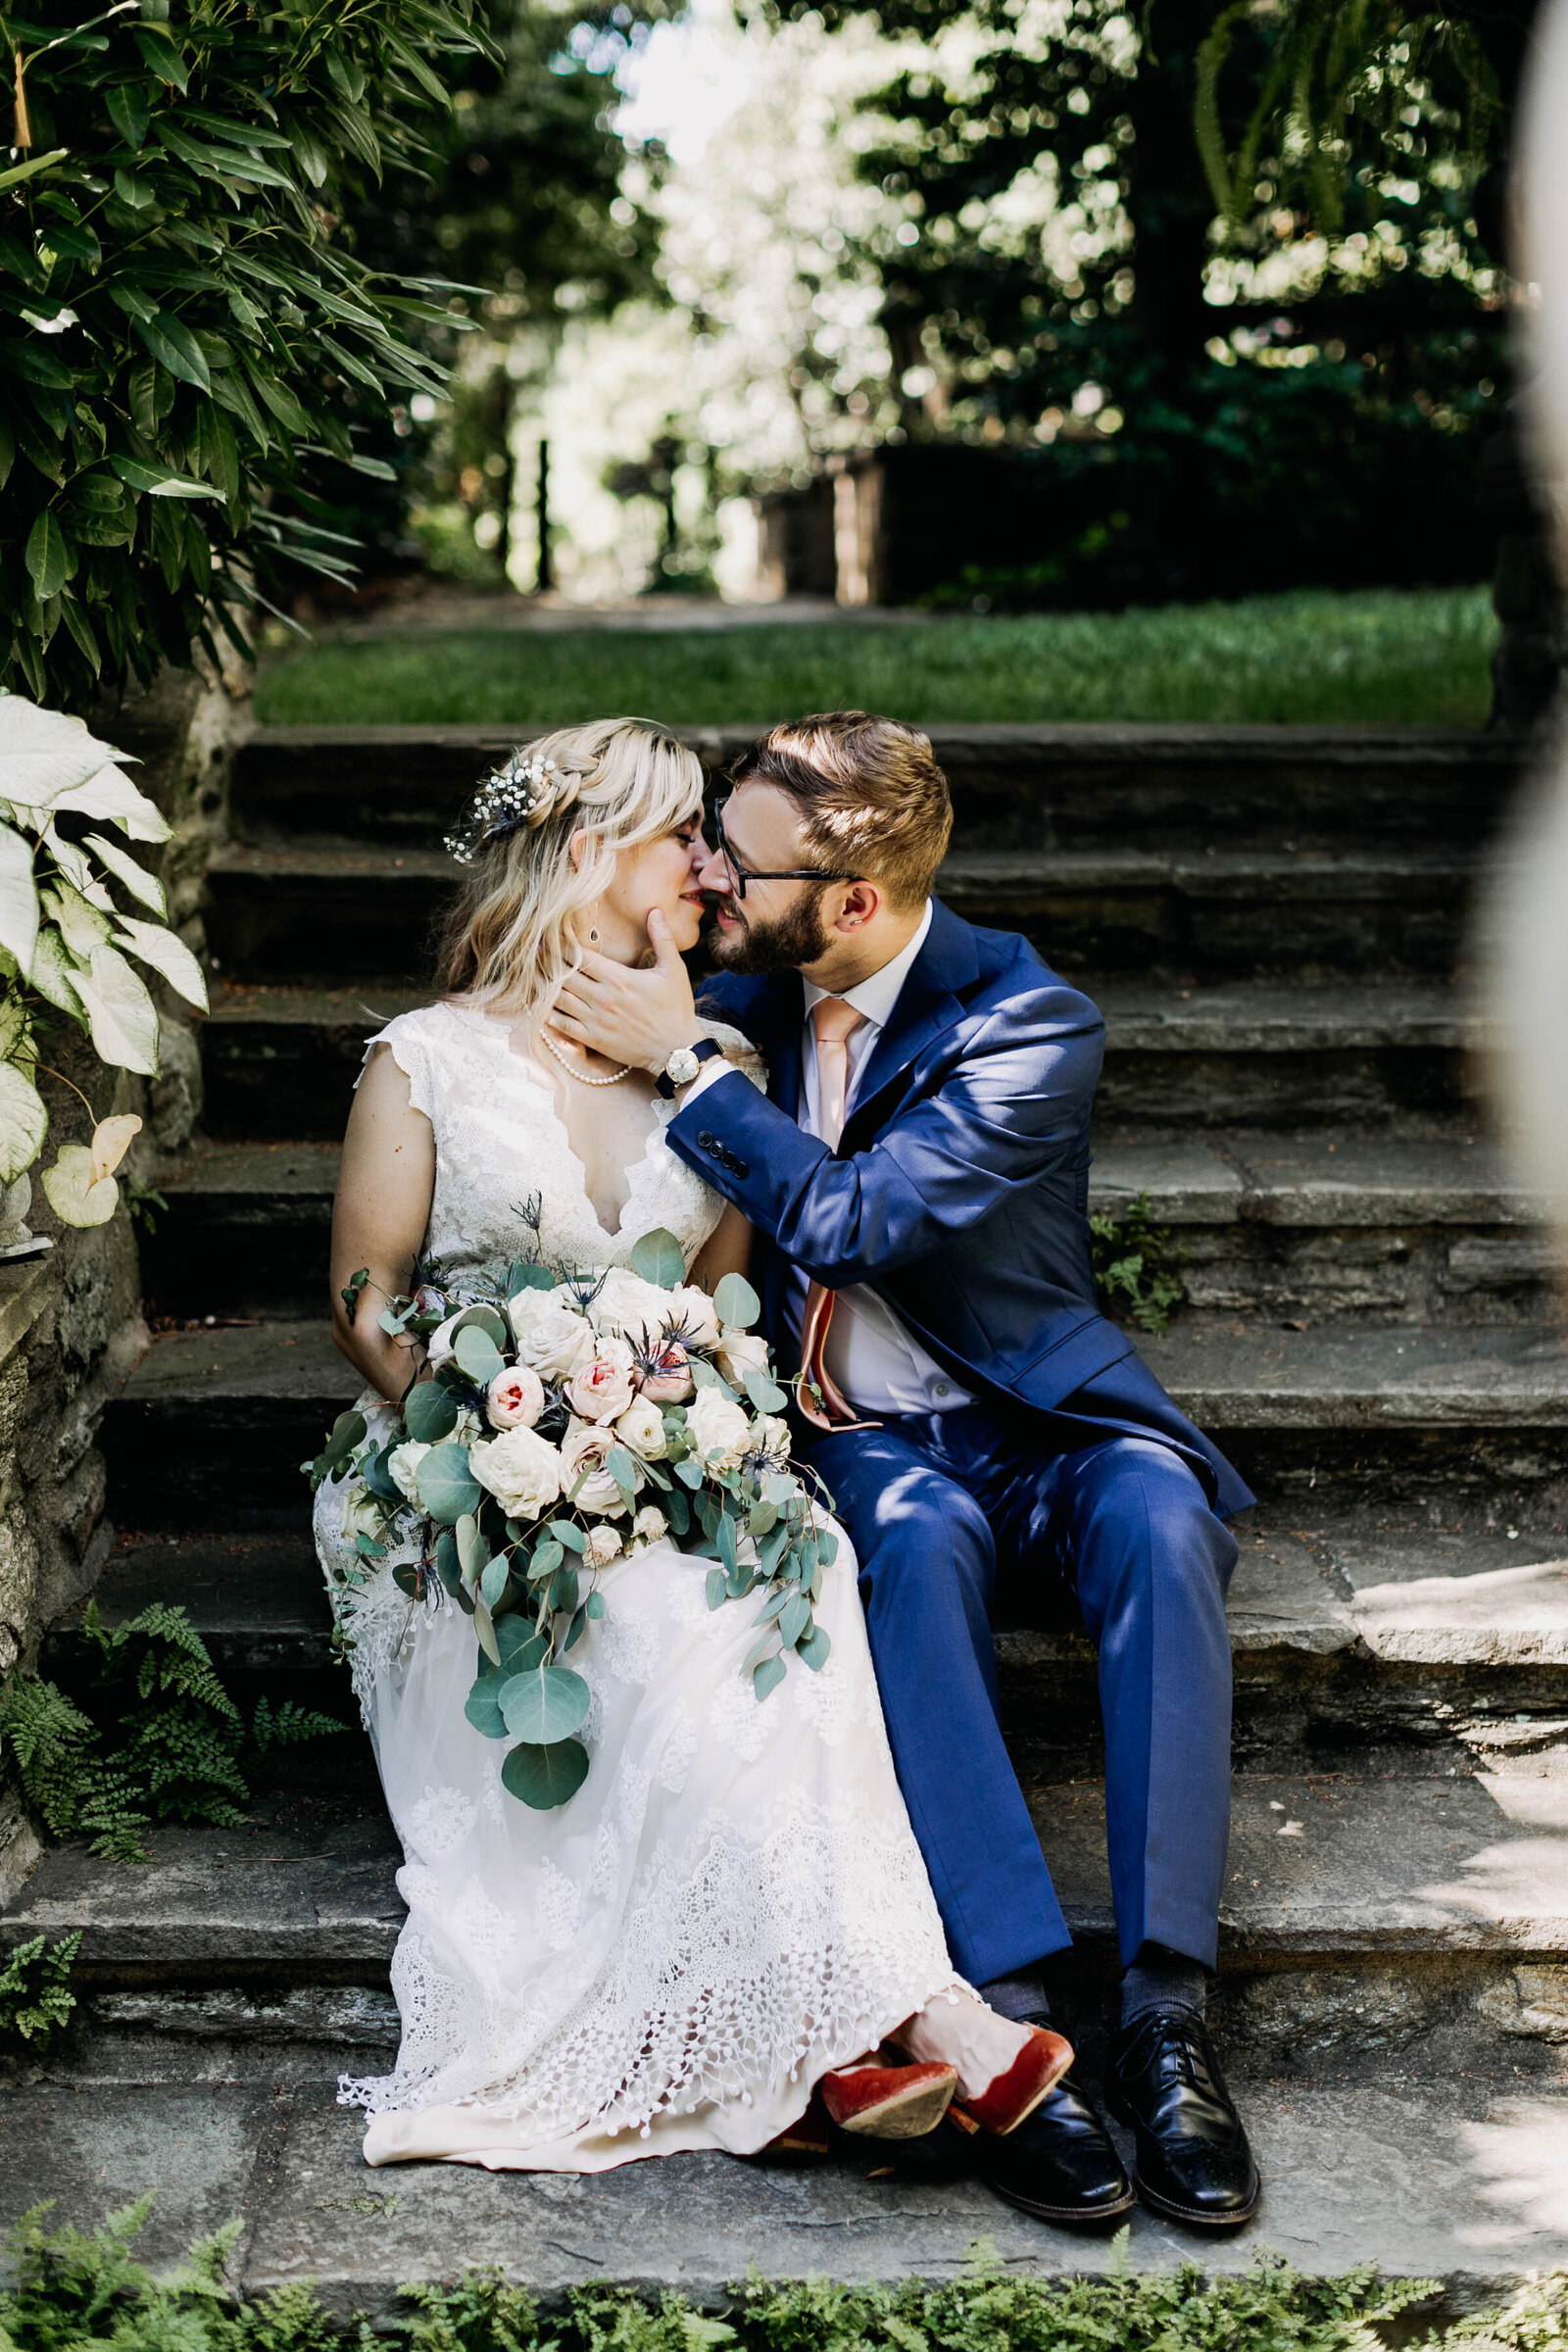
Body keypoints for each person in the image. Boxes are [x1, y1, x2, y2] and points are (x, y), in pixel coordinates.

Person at [315, 715, 1069, 2174]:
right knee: (662, 1612)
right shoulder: (430, 1060)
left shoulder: (717, 1059)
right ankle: (910, 2020)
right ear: (593, 856)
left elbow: (726, 1301)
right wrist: (496, 1415)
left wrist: (663, 1428)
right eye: (682, 839)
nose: (708, 871)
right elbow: (364, 1301)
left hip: (658, 1454)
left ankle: (835, 2037)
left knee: (799, 1584)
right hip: (457, 1477)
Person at [550, 710, 1262, 2229]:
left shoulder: (1030, 1024)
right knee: (913, 1534)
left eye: (737, 862)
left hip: (1037, 1426)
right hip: (868, 1439)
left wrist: (684, 1060)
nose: (709, 881)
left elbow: (861, 1223)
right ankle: (1009, 2008)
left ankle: (1166, 2017)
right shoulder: (740, 971)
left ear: (853, 901)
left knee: (1159, 1515)